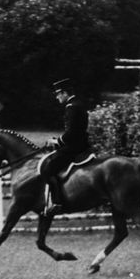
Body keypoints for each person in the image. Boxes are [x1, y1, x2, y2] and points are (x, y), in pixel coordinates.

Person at [41, 78, 91, 215]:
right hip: (79, 144)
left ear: (64, 93)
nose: (57, 97)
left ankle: (57, 202)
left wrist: (57, 142)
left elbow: (72, 133)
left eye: (58, 94)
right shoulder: (77, 104)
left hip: (74, 147)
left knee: (48, 169)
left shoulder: (72, 107)